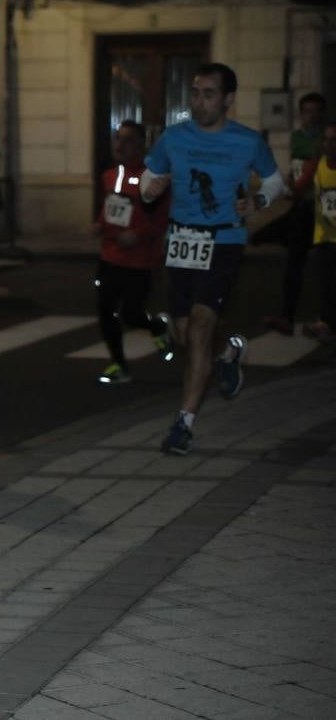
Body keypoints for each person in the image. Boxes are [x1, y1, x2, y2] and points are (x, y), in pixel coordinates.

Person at [141, 63, 285, 455]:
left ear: (228, 100)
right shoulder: (173, 138)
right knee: (186, 335)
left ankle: (183, 424)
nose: (198, 102)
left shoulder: (247, 141)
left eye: (208, 94)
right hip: (181, 240)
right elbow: (147, 176)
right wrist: (149, 189)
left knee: (202, 325)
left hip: (224, 240)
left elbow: (275, 181)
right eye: (194, 93)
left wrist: (257, 200)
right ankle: (229, 354)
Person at [90, 121, 174, 384]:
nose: (120, 145)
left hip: (139, 261)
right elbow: (112, 207)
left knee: (131, 314)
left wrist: (138, 235)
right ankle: (119, 365)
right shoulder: (109, 175)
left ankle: (157, 327)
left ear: (140, 145)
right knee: (105, 311)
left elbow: (162, 218)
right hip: (110, 256)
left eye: (127, 140)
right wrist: (99, 224)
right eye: (118, 139)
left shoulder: (153, 178)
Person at [264, 92, 325, 335]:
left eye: (315, 111)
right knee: (294, 262)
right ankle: (288, 316)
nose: (310, 116)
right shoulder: (298, 137)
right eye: (306, 111)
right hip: (300, 204)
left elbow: (311, 170)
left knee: (317, 265)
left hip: (317, 206)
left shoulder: (325, 139)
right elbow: (296, 166)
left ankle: (318, 320)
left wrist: (297, 189)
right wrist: (290, 183)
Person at [290, 121, 336, 341]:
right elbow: (299, 188)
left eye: (334, 140)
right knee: (326, 284)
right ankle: (326, 325)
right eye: (326, 139)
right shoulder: (318, 164)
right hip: (324, 236)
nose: (329, 144)